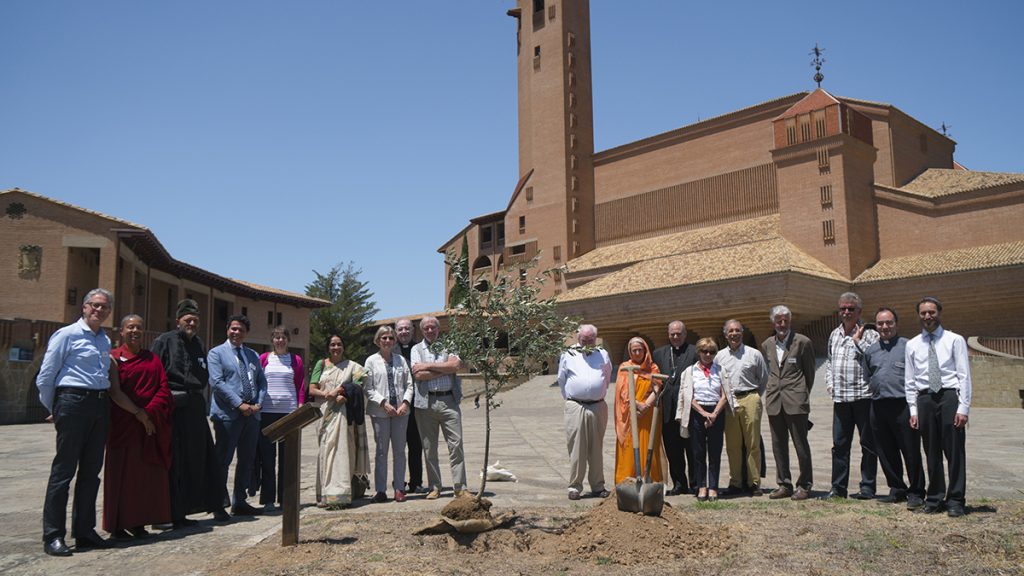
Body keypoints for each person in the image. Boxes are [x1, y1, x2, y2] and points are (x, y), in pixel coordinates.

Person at [37, 289, 115, 556]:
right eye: (94, 305)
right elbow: (46, 375)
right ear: (84, 307)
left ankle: (84, 531)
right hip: (72, 401)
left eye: (104, 307)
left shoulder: (105, 340)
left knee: (91, 472)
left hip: (99, 404)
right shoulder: (67, 335)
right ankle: (53, 535)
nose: (99, 310)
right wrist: (55, 408)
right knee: (63, 472)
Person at [150, 298, 229, 527]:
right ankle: (169, 513)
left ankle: (212, 506)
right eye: (188, 320)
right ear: (178, 321)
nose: (192, 323)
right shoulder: (164, 341)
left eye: (195, 320)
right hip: (172, 408)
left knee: (202, 458)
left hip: (195, 408)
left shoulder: (198, 344)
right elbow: (154, 375)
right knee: (174, 461)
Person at [103, 314, 174, 539]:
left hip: (149, 426)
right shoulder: (113, 358)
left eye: (139, 328)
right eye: (130, 327)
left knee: (144, 478)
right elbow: (114, 392)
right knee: (121, 477)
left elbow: (163, 388)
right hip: (124, 425)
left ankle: (139, 522)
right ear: (121, 332)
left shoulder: (152, 359)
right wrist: (139, 414)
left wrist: (149, 414)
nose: (135, 331)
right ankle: (117, 525)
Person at [905, 297, 971, 517]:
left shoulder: (954, 340)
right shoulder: (912, 344)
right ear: (919, 315)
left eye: (931, 312)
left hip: (949, 396)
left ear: (939, 313)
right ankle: (934, 498)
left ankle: (956, 499)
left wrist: (963, 408)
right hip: (925, 399)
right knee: (931, 451)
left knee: (954, 451)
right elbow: (910, 380)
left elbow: (964, 375)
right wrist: (913, 410)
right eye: (923, 313)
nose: (927, 316)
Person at [865, 308, 925, 509]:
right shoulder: (871, 350)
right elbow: (868, 376)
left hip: (903, 406)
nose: (885, 327)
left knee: (910, 450)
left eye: (889, 323)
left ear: (896, 324)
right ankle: (896, 488)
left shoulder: (908, 346)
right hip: (878, 405)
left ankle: (916, 492)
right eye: (880, 323)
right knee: (885, 450)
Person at [208, 314, 268, 516]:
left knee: (247, 459)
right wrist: (239, 404)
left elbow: (261, 381)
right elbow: (217, 383)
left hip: (252, 415)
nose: (236, 332)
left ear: (246, 333)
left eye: (241, 330)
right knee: (223, 460)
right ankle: (217, 504)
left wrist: (258, 402)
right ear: (227, 330)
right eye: (233, 328)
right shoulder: (216, 353)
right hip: (228, 415)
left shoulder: (252, 355)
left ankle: (239, 501)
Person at [823, 292, 880, 500]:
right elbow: (829, 362)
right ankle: (838, 488)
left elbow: (875, 360)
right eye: (843, 309)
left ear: (859, 312)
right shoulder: (833, 335)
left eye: (851, 309)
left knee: (868, 445)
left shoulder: (870, 334)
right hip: (841, 400)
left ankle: (867, 487)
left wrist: (858, 342)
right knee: (839, 446)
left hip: (863, 398)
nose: (846, 312)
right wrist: (830, 383)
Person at [761, 305, 816, 501]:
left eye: (785, 320)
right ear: (773, 322)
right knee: (778, 445)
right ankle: (784, 483)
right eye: (778, 320)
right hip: (775, 401)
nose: (782, 324)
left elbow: (810, 373)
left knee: (801, 445)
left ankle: (804, 484)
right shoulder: (767, 344)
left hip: (796, 401)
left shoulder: (802, 342)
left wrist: (801, 394)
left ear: (790, 321)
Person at [411, 316, 468, 499]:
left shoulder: (449, 344)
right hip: (426, 403)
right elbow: (419, 375)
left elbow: (456, 365)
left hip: (449, 401)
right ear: (422, 330)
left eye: (433, 327)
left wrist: (428, 365)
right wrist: (445, 368)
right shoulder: (416, 349)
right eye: (426, 328)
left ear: (438, 329)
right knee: (429, 448)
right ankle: (435, 486)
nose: (430, 330)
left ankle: (460, 487)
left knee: (456, 445)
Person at [309, 335, 369, 508]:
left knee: (343, 451)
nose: (336, 347)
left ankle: (340, 494)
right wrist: (326, 395)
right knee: (325, 452)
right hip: (324, 413)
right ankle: (325, 494)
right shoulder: (321, 365)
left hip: (343, 414)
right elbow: (312, 388)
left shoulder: (352, 366)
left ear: (343, 347)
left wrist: (343, 393)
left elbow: (360, 381)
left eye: (339, 344)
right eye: (333, 344)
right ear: (328, 347)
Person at [557, 324, 612, 500]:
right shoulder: (568, 353)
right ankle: (574, 486)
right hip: (576, 405)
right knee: (577, 447)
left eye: (590, 340)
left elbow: (607, 375)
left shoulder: (602, 353)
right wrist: (573, 397)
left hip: (597, 405)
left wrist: (597, 393)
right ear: (578, 338)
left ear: (595, 339)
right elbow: (561, 378)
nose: (587, 343)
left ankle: (598, 486)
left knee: (597, 447)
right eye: (583, 340)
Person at [256, 326, 306, 512]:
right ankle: (268, 500)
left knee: (287, 458)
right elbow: (258, 382)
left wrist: (300, 405)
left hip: (289, 414)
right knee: (268, 459)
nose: (280, 340)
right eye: (276, 337)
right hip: (267, 413)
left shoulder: (296, 360)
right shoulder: (264, 359)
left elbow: (301, 384)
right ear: (272, 340)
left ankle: (286, 498)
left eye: (283, 337)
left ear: (288, 340)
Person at [716, 319, 768, 497]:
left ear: (742, 333)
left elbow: (763, 378)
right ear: (725, 334)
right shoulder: (720, 356)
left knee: (752, 443)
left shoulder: (754, 354)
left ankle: (754, 482)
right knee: (733, 444)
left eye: (737, 330)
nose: (734, 334)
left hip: (750, 397)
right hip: (729, 401)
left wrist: (753, 396)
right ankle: (736, 483)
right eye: (730, 331)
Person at [364, 326, 414, 503]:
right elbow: (368, 387)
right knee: (381, 452)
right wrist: (383, 403)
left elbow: (409, 384)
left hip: (401, 413)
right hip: (380, 412)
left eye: (390, 338)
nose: (387, 341)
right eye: (384, 338)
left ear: (394, 341)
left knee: (400, 451)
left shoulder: (401, 360)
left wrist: (405, 403)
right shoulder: (370, 361)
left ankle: (399, 488)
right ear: (378, 340)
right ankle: (380, 490)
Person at [678, 338, 730, 501]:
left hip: (716, 412)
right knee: (698, 452)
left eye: (712, 352)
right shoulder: (689, 371)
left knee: (715, 452)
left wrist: (713, 413)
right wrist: (703, 413)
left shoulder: (721, 370)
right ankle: (701, 486)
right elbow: (688, 395)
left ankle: (713, 486)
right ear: (699, 352)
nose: (708, 355)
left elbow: (725, 394)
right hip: (697, 413)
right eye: (705, 351)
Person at [651, 320, 697, 495]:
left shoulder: (694, 352)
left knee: (692, 448)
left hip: (688, 410)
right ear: (668, 335)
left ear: (685, 334)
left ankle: (696, 483)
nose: (676, 337)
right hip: (668, 410)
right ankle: (679, 483)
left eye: (679, 334)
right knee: (673, 449)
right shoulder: (659, 353)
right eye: (673, 334)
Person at [614, 337, 664, 485]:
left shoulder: (653, 368)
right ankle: (627, 481)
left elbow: (657, 387)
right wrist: (636, 405)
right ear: (630, 352)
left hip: (648, 415)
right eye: (634, 350)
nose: (637, 353)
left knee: (648, 445)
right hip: (630, 414)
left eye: (639, 350)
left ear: (645, 350)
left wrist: (646, 406)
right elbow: (622, 391)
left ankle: (650, 480)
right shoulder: (625, 367)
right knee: (629, 446)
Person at [395, 318, 425, 494]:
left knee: (415, 445)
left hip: (415, 405)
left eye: (407, 329)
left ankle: (416, 481)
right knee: (398, 447)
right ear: (396, 331)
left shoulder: (418, 350)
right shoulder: (391, 349)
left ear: (413, 330)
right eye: (400, 329)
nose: (404, 332)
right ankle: (398, 481)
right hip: (396, 406)